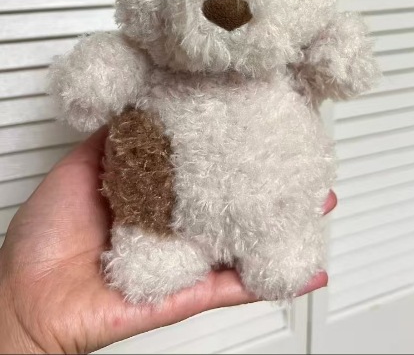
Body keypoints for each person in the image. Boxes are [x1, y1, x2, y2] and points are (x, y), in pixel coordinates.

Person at [0, 128, 336, 354]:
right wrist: (19, 320)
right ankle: (158, 244)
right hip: (165, 224)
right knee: (139, 145)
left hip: (274, 213)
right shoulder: (150, 73)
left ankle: (277, 239)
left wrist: (22, 323)